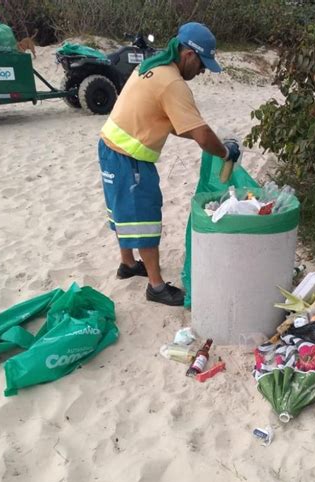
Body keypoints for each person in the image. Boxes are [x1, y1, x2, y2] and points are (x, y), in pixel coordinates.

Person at [98, 22, 241, 307]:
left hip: (109, 145)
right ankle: (156, 286)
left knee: (120, 209)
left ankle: (128, 264)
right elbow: (200, 134)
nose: (201, 72)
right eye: (202, 65)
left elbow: (176, 124)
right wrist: (225, 152)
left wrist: (205, 138)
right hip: (131, 158)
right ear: (188, 54)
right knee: (144, 217)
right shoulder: (173, 83)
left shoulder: (153, 66)